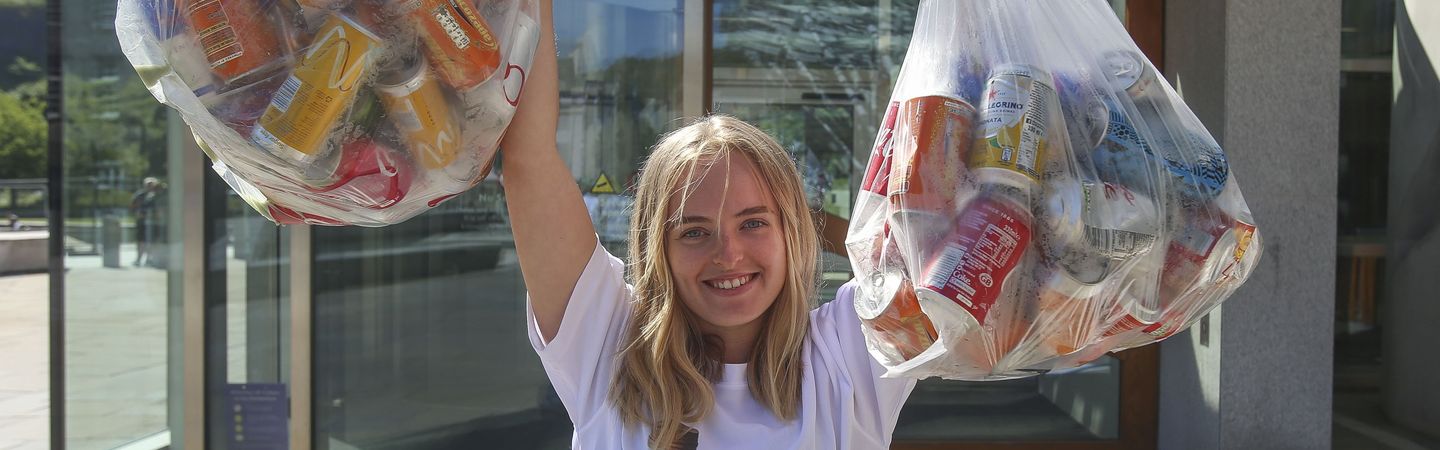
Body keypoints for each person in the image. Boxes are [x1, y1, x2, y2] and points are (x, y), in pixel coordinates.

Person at [499, 2, 914, 448]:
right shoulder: (607, 347)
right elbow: (529, 157)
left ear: (793, 231)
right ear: (659, 248)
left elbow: (952, 213)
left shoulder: (851, 353)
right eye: (694, 231)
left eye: (753, 223)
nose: (728, 254)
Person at [130, 177, 161, 267]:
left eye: (151, 185)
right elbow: (133, 207)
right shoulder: (139, 195)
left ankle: (150, 259)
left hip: (153, 222)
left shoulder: (157, 196)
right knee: (140, 240)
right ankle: (139, 258)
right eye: (148, 185)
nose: (149, 187)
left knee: (152, 241)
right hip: (142, 222)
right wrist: (137, 213)